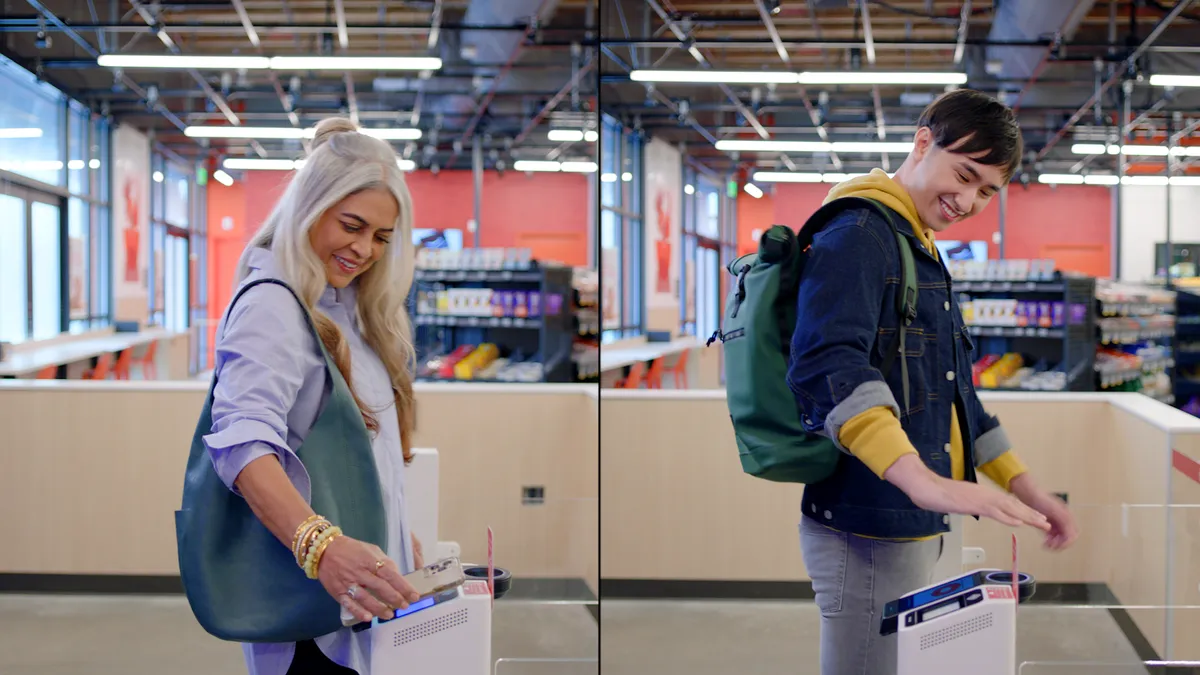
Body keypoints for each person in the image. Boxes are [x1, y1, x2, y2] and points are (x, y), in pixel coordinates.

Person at [787, 89, 1079, 675]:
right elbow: (829, 364)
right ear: (924, 141)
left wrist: (1026, 489)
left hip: (908, 521)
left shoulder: (914, 247)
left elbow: (955, 397)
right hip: (867, 523)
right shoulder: (860, 233)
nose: (968, 201)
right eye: (964, 175)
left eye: (987, 192)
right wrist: (921, 481)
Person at [204, 116, 426, 675]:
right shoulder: (274, 305)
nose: (364, 249)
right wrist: (322, 547)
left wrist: (391, 528)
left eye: (380, 237)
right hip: (312, 618)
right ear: (310, 207)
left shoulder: (344, 306)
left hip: (353, 605)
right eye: (351, 225)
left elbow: (348, 452)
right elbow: (241, 445)